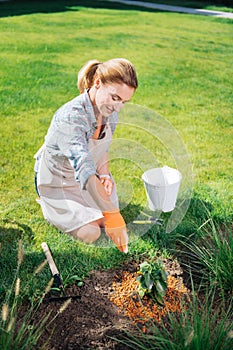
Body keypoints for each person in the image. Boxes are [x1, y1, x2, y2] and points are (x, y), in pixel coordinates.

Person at [34, 58, 138, 253]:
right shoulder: (71, 118)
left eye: (124, 102)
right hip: (59, 181)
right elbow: (83, 167)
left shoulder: (110, 113)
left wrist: (105, 174)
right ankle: (49, 207)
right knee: (92, 232)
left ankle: (92, 210)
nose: (118, 107)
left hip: (88, 174)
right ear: (97, 83)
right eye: (115, 98)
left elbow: (101, 148)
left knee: (103, 218)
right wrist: (112, 214)